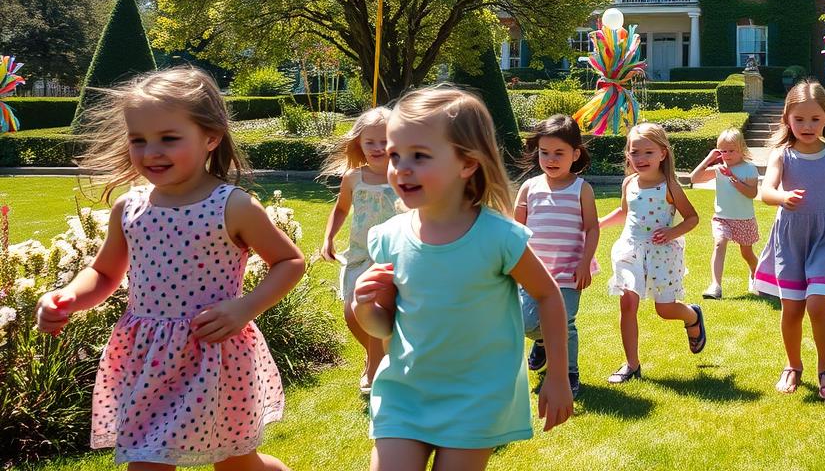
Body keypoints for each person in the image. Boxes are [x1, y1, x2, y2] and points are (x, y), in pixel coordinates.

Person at [36, 67, 303, 470]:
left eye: (168, 139)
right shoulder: (130, 208)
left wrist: (245, 308)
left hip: (215, 356)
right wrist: (70, 296)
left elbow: (289, 261)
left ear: (211, 137)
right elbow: (105, 273)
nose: (150, 152)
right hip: (147, 357)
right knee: (146, 460)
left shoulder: (232, 206)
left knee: (235, 464)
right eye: (138, 140)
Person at [354, 88, 572, 470]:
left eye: (419, 156)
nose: (401, 167)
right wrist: (363, 307)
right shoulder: (388, 237)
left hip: (476, 399)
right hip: (405, 392)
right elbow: (384, 325)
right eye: (394, 154)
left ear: (467, 163)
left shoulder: (498, 237)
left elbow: (549, 296)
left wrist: (557, 376)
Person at [755, 79, 825, 399]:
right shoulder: (782, 154)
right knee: (793, 308)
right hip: (790, 237)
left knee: (816, 303)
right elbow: (766, 191)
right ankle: (793, 364)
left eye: (815, 119)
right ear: (787, 119)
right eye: (799, 119)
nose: (807, 125)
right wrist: (782, 196)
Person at [600, 122, 705, 384]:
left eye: (648, 152)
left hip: (661, 253)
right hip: (629, 249)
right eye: (635, 152)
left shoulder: (670, 185)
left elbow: (692, 218)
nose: (641, 158)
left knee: (665, 309)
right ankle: (631, 364)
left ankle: (692, 315)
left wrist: (673, 232)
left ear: (662, 153)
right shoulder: (628, 183)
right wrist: (598, 223)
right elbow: (624, 213)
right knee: (628, 302)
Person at [514, 114, 599, 396]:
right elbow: (516, 230)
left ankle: (568, 374)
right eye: (544, 152)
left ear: (575, 154)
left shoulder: (581, 189)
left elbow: (592, 228)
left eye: (559, 153)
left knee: (565, 324)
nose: (551, 159)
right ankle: (541, 342)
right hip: (532, 272)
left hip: (568, 271)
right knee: (525, 322)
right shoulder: (529, 188)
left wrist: (585, 262)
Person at [319, 106, 400, 395]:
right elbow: (341, 209)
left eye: (385, 141)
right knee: (351, 314)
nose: (378, 148)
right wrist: (328, 237)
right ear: (359, 143)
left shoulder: (403, 176)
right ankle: (375, 355)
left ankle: (377, 366)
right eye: (370, 142)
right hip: (359, 256)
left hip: (392, 257)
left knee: (375, 310)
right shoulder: (354, 178)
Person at [690, 127, 760, 299]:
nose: (727, 155)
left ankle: (756, 275)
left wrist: (735, 181)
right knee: (719, 243)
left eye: (731, 151)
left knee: (747, 253)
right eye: (723, 151)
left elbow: (752, 194)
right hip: (722, 218)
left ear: (741, 149)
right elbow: (694, 178)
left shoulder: (749, 169)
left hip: (744, 219)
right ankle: (716, 286)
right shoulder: (719, 169)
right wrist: (708, 159)